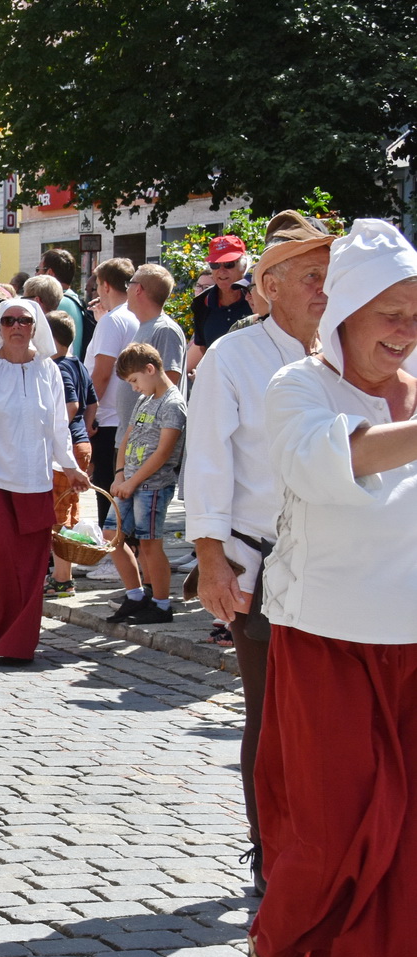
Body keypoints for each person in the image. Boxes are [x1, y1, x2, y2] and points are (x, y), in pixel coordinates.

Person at [240, 218, 417, 957]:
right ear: (344, 314)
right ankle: (276, 943)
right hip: (324, 638)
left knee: (409, 849)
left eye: (416, 313)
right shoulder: (294, 387)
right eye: (388, 311)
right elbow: (327, 469)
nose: (404, 328)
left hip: (413, 643)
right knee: (330, 828)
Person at [182, 210, 334, 894]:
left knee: (338, 716)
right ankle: (271, 850)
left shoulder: (352, 349)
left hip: (346, 560)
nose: (325, 289)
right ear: (268, 285)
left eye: (332, 274)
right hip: (261, 559)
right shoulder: (232, 357)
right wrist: (211, 558)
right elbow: (208, 462)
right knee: (271, 714)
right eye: (311, 275)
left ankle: (335, 847)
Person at [0, 300, 87, 663]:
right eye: (9, 320)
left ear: (36, 326)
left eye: (25, 320)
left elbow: (58, 425)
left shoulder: (48, 370)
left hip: (36, 479)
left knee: (30, 561)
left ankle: (13, 643)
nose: (17, 327)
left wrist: (69, 466)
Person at [103, 343, 188, 624]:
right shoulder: (145, 399)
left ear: (150, 369)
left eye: (134, 381)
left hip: (153, 487)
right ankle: (136, 595)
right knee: (111, 536)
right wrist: (119, 474)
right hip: (129, 483)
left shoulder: (173, 404)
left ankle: (162, 605)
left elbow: (164, 453)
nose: (135, 388)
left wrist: (133, 481)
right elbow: (127, 437)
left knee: (150, 544)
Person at [85, 258, 141, 524]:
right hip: (127, 416)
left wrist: (88, 414)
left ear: (105, 285)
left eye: (97, 286)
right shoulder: (135, 315)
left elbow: (102, 373)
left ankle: (112, 554)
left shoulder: (113, 320)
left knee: (107, 487)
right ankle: (123, 551)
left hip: (107, 418)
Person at [46, 310, 96, 598]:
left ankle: (62, 579)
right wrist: (86, 430)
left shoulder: (59, 367)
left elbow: (73, 404)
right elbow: (92, 403)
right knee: (70, 510)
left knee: (58, 514)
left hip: (65, 450)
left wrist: (56, 431)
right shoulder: (77, 364)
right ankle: (65, 570)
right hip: (81, 444)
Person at [189, 234, 254, 373]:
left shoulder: (256, 297)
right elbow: (203, 348)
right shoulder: (201, 303)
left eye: (229, 264)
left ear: (243, 266)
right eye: (215, 265)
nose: (221, 270)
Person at [126, 264, 187, 386]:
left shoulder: (165, 330)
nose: (127, 289)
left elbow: (169, 382)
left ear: (138, 289)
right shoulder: (149, 327)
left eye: (129, 284)